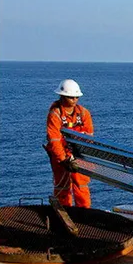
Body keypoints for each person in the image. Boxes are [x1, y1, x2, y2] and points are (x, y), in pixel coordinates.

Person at [45, 79, 94, 207]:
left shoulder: (83, 113)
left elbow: (88, 137)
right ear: (62, 96)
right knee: (62, 185)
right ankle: (64, 212)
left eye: (76, 97)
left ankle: (84, 213)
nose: (74, 100)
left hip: (78, 154)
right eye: (71, 97)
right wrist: (63, 160)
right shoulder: (55, 114)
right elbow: (54, 140)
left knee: (81, 184)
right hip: (60, 155)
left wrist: (82, 156)